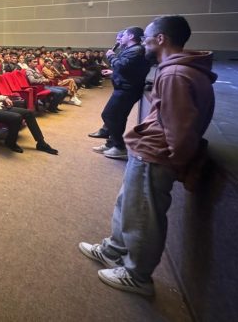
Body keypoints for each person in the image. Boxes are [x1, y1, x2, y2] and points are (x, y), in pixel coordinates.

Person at [79, 15, 216, 296]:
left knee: (143, 216)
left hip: (156, 156)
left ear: (161, 39)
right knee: (128, 205)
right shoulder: (177, 69)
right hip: (149, 152)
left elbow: (178, 131)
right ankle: (113, 249)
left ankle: (137, 275)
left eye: (147, 38)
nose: (144, 43)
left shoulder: (176, 74)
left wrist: (173, 161)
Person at [0, 66, 57, 155]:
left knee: (29, 113)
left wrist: (5, 98)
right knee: (17, 117)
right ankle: (10, 142)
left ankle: (41, 142)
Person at [92, 27, 151, 160]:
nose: (120, 38)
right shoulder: (132, 50)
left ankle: (119, 147)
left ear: (130, 36)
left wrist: (111, 56)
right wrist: (113, 73)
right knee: (118, 117)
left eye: (123, 35)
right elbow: (129, 69)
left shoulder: (137, 50)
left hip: (127, 90)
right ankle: (111, 144)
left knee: (109, 115)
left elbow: (122, 66)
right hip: (125, 87)